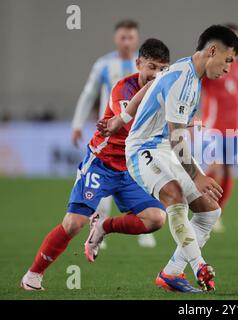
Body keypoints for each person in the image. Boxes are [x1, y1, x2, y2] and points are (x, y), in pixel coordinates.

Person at [99, 25, 238, 292]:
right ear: (213, 51)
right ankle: (199, 265)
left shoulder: (186, 70)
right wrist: (197, 175)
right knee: (175, 197)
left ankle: (171, 273)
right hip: (143, 150)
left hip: (164, 149)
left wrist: (122, 118)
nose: (228, 69)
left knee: (211, 211)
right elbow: (177, 137)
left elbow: (149, 88)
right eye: (228, 60)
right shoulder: (184, 79)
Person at [20, 38, 171, 291]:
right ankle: (33, 274)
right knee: (74, 223)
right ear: (138, 64)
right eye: (152, 67)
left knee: (156, 218)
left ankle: (103, 226)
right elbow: (133, 124)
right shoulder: (123, 89)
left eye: (162, 70)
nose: (156, 74)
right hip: (101, 163)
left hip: (130, 169)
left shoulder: (166, 92)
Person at [71, 19, 156, 248]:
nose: (126, 41)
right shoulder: (104, 65)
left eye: (130, 37)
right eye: (122, 37)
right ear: (115, 39)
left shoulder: (147, 65)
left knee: (142, 176)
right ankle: (99, 225)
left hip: (139, 133)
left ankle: (144, 230)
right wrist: (77, 124)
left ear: (136, 39)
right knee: (105, 177)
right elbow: (89, 94)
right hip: (110, 131)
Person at [201, 23, 238, 233]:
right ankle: (203, 206)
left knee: (227, 170)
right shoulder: (211, 64)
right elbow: (197, 89)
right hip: (212, 127)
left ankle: (217, 211)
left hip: (233, 128)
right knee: (215, 167)